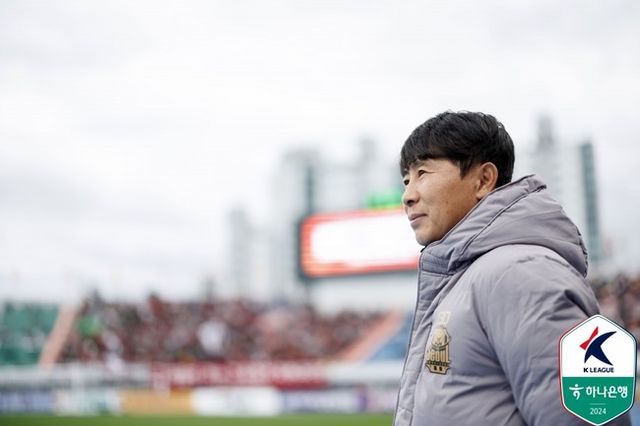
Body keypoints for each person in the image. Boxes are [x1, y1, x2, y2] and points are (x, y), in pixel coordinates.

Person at [393, 111, 630, 425]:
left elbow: (591, 415)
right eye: (406, 180)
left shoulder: (521, 273)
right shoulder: (470, 279)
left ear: (483, 179)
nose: (407, 196)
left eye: (422, 173)